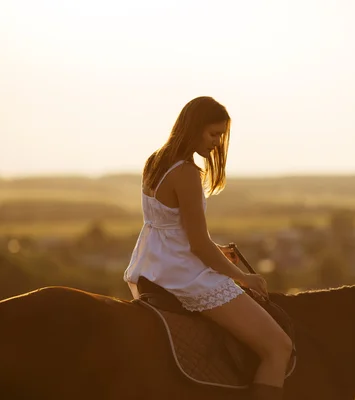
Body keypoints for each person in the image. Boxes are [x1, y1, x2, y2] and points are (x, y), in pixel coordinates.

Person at [123, 96, 292, 400]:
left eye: (221, 136)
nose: (217, 143)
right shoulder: (187, 172)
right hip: (183, 274)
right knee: (278, 347)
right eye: (213, 134)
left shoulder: (156, 161)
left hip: (153, 265)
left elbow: (172, 228)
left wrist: (216, 251)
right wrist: (243, 277)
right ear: (193, 128)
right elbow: (198, 245)